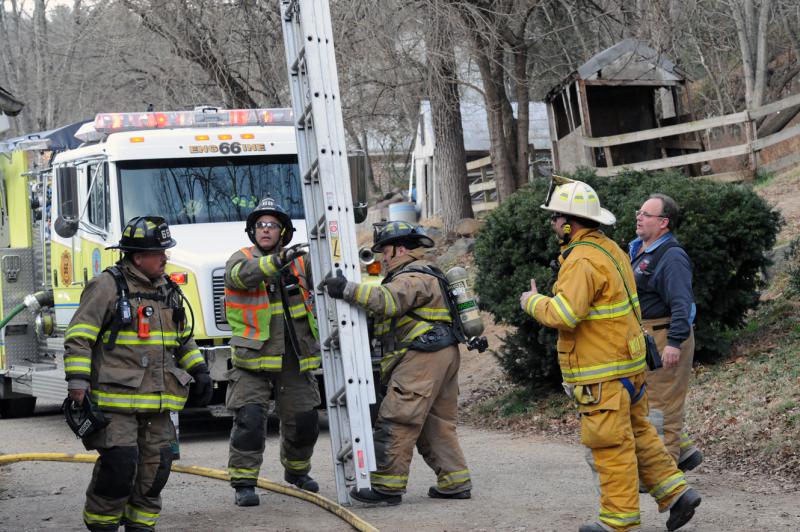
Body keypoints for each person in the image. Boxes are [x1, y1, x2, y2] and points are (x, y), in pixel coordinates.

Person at [518, 176, 701, 532]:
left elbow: (566, 315)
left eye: (556, 217)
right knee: (642, 435)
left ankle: (619, 523)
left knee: (610, 446)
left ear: (570, 222)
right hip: (628, 369)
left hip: (602, 374)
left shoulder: (581, 260)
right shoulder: (612, 250)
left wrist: (533, 302)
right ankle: (676, 493)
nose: (553, 224)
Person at [63, 216, 212, 532]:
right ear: (138, 256)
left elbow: (182, 339)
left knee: (156, 471)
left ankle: (140, 527)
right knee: (119, 469)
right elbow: (79, 335)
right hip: (117, 404)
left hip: (157, 403)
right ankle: (102, 526)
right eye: (160, 253)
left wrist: (198, 369)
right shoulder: (106, 286)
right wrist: (77, 382)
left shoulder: (169, 291)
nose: (166, 258)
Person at [322, 221, 472, 505]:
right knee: (436, 424)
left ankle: (386, 487)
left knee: (398, 417)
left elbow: (388, 300)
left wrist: (346, 290)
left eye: (385, 252)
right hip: (442, 354)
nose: (383, 259)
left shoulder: (410, 276)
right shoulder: (429, 274)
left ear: (400, 249)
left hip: (422, 356)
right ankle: (455, 481)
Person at [223, 197, 322, 507]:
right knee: (250, 421)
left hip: (295, 356)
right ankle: (244, 483)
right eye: (260, 225)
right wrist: (277, 262)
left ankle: (296, 472)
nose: (265, 230)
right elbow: (242, 276)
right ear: (252, 232)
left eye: (272, 225)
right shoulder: (239, 259)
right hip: (252, 359)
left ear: (284, 232)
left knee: (305, 421)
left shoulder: (301, 262)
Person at [630, 194, 703, 471]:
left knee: (663, 408)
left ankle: (666, 475)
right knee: (649, 402)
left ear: (663, 223)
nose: (639, 217)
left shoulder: (671, 256)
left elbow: (682, 303)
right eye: (640, 211)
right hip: (647, 339)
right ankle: (685, 453)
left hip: (665, 338)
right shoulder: (639, 248)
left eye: (646, 214)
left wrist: (674, 343)